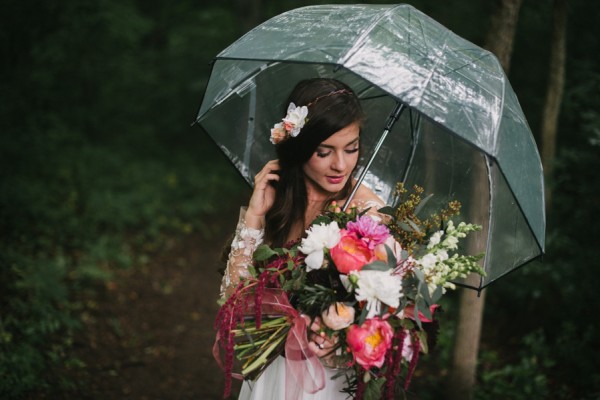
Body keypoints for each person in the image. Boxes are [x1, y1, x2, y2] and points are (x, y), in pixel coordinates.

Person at [220, 78, 386, 399]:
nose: (340, 164)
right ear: (298, 147)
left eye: (351, 149)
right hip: (271, 374)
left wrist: (338, 341)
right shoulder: (277, 202)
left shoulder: (368, 214)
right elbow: (233, 300)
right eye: (324, 152)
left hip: (329, 383)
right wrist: (255, 216)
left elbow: (382, 319)